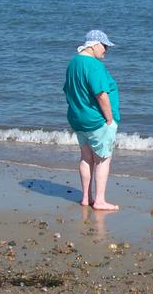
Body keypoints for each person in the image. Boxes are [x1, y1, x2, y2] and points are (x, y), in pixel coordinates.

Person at [63, 30, 120, 211]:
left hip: (78, 118)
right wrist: (109, 118)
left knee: (86, 157)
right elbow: (101, 94)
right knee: (102, 159)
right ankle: (100, 200)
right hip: (96, 119)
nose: (106, 50)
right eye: (104, 46)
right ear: (94, 45)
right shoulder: (94, 65)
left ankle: (86, 197)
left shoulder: (73, 62)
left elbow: (67, 90)